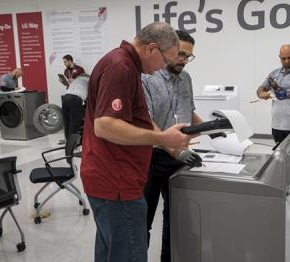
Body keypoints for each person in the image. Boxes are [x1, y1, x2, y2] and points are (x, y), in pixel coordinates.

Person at [80, 22, 195, 262]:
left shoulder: (124, 65)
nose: (163, 67)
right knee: (128, 252)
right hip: (117, 181)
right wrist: (162, 138)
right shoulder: (121, 67)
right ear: (152, 48)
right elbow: (105, 125)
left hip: (111, 177)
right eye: (165, 60)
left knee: (111, 250)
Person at [141, 29, 202, 262]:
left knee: (174, 221)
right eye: (181, 54)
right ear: (168, 49)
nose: (184, 61)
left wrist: (215, 131)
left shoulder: (186, 78)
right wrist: (175, 149)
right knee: (142, 221)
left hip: (179, 158)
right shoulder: (147, 77)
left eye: (189, 56)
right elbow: (147, 120)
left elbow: (190, 111)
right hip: (151, 158)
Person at [61, 73, 89, 140]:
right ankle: (73, 144)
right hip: (75, 98)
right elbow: (90, 95)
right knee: (74, 123)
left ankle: (68, 142)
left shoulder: (76, 80)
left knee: (67, 122)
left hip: (65, 97)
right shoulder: (88, 80)